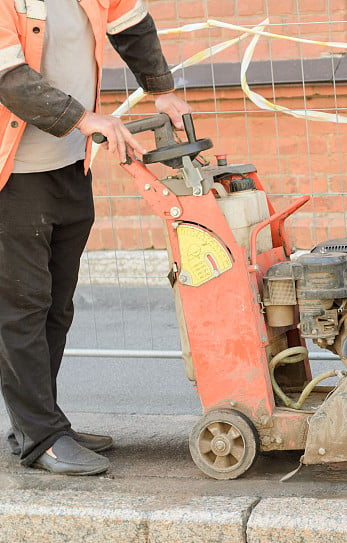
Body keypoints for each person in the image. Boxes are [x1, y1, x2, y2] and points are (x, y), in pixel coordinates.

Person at [0, 0, 191, 476]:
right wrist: (88, 119)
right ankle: (42, 437)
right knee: (22, 310)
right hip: (13, 176)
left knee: (56, 307)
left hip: (68, 165)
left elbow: (132, 25)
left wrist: (161, 90)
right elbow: (9, 79)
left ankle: (37, 424)